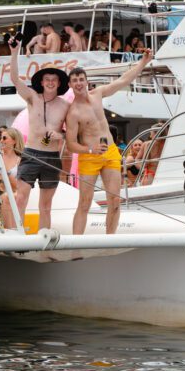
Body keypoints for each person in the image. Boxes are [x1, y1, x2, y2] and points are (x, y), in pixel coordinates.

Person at [65, 49, 153, 235]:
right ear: (70, 84)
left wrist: (143, 62)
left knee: (115, 201)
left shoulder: (98, 94)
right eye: (75, 80)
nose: (79, 83)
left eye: (82, 79)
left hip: (111, 152)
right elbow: (71, 144)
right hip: (89, 157)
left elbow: (123, 80)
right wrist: (90, 149)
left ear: (87, 81)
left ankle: (109, 238)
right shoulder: (73, 113)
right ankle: (75, 245)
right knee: (84, 203)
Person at [9, 40, 70, 230]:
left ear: (59, 83)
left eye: (54, 79)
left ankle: (43, 237)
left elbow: (72, 134)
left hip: (52, 157)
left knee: (46, 206)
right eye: (47, 79)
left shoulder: (65, 105)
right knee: (21, 198)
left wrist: (59, 135)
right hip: (31, 153)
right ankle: (18, 234)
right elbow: (14, 80)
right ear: (42, 82)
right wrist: (14, 52)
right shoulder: (32, 98)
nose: (50, 82)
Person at [0, 127, 24, 228]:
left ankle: (13, 231)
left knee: (12, 196)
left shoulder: (20, 160)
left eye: (4, 138)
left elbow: (19, 185)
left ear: (14, 141)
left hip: (15, 192)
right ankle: (11, 232)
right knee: (7, 197)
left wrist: (5, 174)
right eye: (0, 138)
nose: (1, 141)